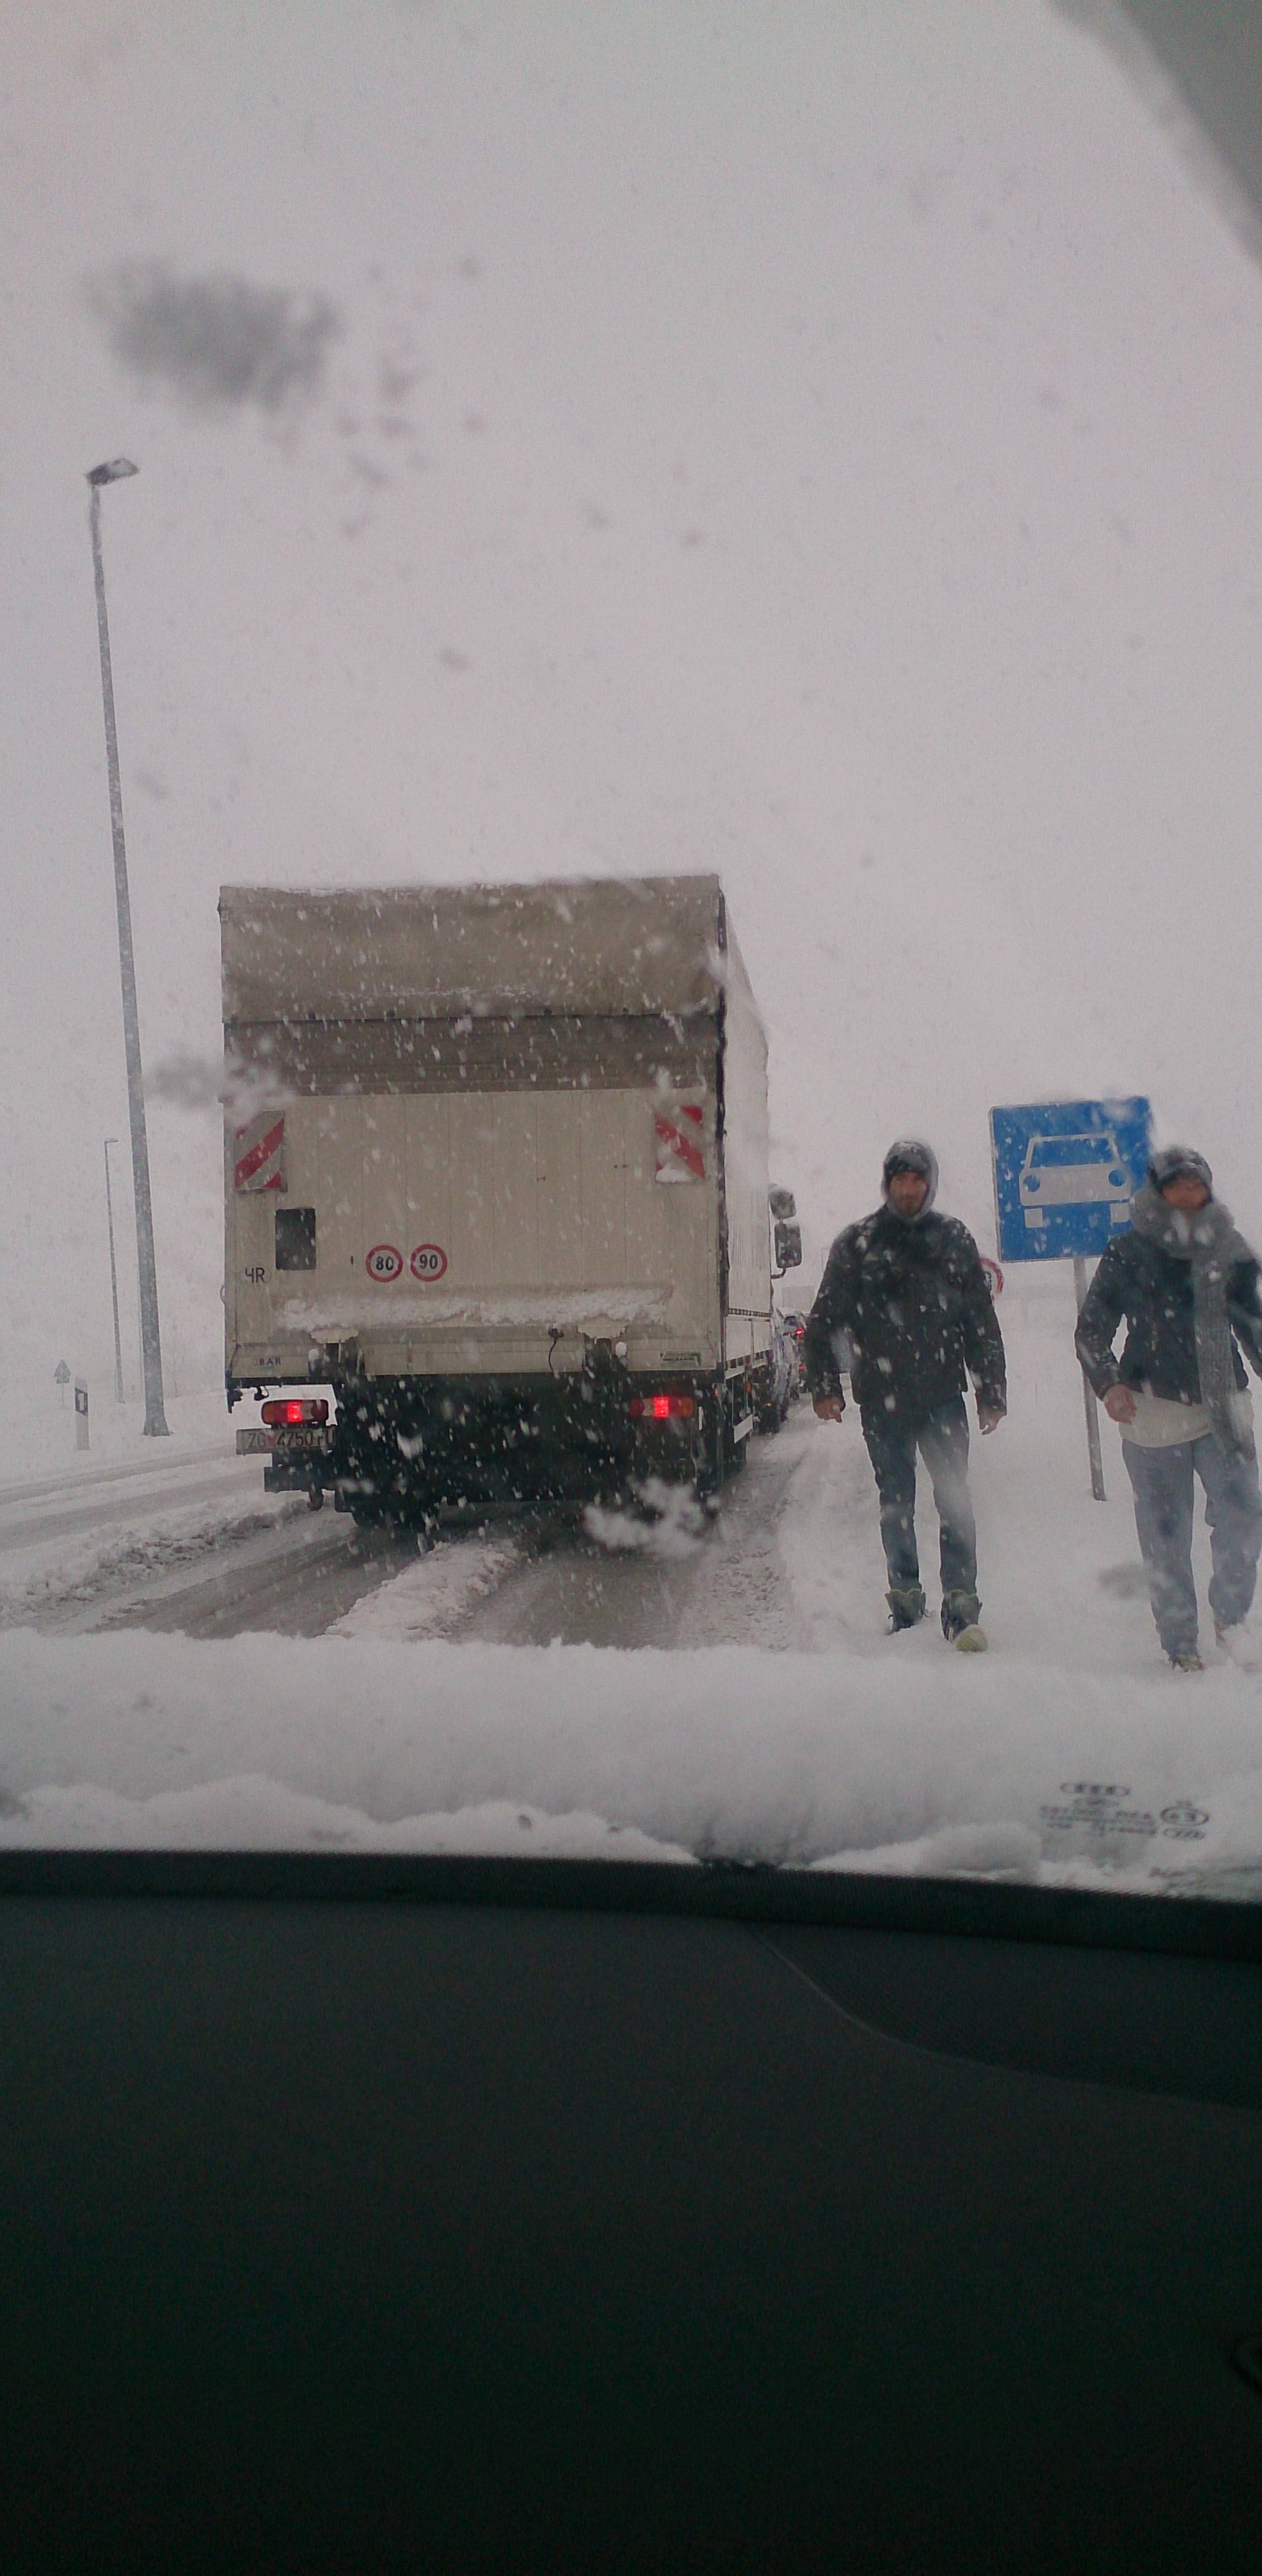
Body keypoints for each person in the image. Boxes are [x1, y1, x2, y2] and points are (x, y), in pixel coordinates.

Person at [803, 1140, 1007, 1649]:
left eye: (917, 1180)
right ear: (887, 1184)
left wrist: (991, 1390)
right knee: (896, 1503)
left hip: (942, 1397)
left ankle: (961, 1604)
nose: (909, 1189)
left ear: (930, 1183)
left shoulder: (954, 1240)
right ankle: (906, 1602)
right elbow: (824, 1321)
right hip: (883, 1401)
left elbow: (980, 1321)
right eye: (900, 1180)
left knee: (955, 1503)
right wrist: (825, 1387)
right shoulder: (858, 1244)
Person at [1075, 1145, 1262, 1672]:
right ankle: (1180, 1644)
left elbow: (1254, 1324)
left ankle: (1232, 1617)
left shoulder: (1229, 1249)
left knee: (1245, 1515)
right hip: (1151, 1411)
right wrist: (1109, 1384)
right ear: (1158, 1191)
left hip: (1224, 1406)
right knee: (1164, 1535)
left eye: (1195, 1184)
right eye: (1175, 1185)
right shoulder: (1128, 1252)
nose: (1186, 1194)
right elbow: (1091, 1330)